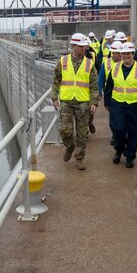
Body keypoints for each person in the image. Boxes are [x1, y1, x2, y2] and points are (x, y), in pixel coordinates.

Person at [51, 32, 99, 171]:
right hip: (66, 101)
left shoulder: (89, 64)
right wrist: (54, 98)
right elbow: (56, 81)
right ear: (73, 45)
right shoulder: (62, 61)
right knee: (64, 130)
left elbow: (94, 85)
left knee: (82, 133)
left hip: (83, 102)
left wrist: (94, 102)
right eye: (80, 46)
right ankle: (70, 146)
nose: (84, 48)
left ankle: (79, 158)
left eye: (84, 46)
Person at [104, 41, 137, 168]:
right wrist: (107, 102)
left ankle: (130, 156)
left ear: (133, 54)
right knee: (118, 129)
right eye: (123, 54)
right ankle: (119, 150)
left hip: (135, 105)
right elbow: (109, 86)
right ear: (121, 55)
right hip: (118, 104)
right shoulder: (115, 68)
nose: (126, 56)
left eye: (128, 53)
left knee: (134, 131)